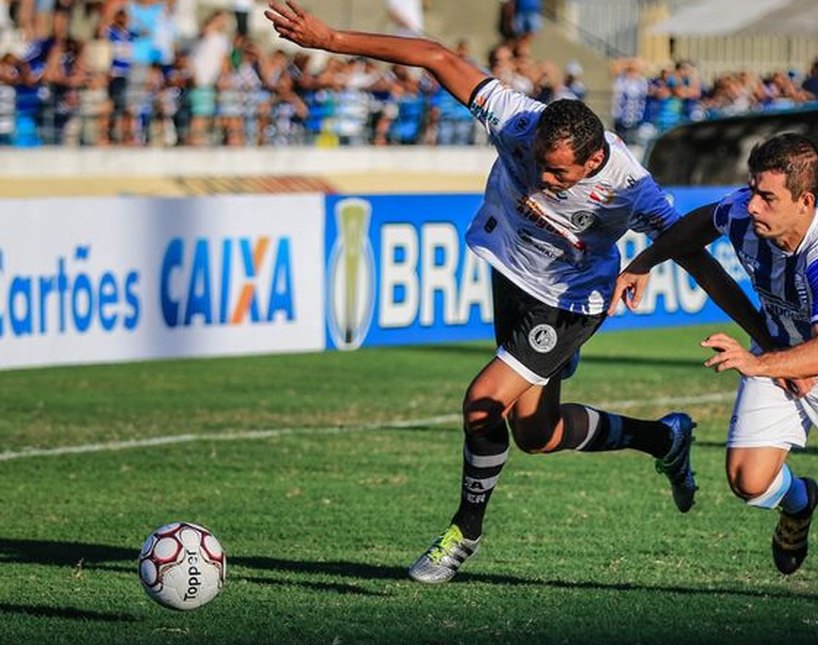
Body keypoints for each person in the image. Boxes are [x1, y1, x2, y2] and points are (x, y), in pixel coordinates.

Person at [264, 0, 764, 584]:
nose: (542, 179)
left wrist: (759, 335)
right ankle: (664, 437)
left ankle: (463, 534)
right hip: (513, 276)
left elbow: (696, 256)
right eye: (536, 164)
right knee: (535, 434)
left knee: (482, 402)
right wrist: (330, 38)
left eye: (557, 175)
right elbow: (433, 56)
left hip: (569, 300)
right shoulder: (518, 121)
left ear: (594, 160)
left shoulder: (631, 189)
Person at [609, 133, 818, 609]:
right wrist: (643, 262)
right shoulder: (742, 212)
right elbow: (692, 229)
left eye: (767, 197)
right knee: (747, 480)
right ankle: (799, 503)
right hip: (781, 343)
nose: (752, 205)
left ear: (805, 201)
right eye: (753, 190)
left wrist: (758, 363)